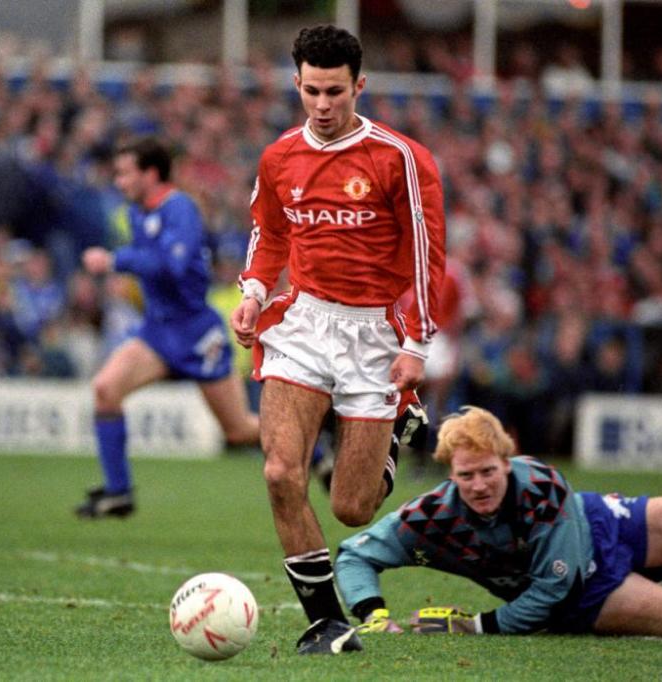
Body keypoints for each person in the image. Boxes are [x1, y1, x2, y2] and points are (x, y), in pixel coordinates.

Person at [230, 25, 445, 654]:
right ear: (296, 83)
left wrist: (417, 345)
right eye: (312, 91)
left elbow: (428, 256)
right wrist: (252, 293)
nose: (322, 105)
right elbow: (269, 235)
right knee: (278, 473)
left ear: (360, 86)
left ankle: (392, 432)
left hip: (376, 333)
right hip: (302, 324)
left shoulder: (400, 158)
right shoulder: (278, 157)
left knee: (352, 507)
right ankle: (325, 623)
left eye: (335, 92)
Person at [334, 407, 662, 639]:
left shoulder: (539, 482)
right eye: (466, 476)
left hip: (602, 522)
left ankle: (650, 589)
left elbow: (553, 581)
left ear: (507, 461)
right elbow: (355, 553)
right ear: (451, 475)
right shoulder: (433, 515)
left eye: (489, 472)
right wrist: (373, 615)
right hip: (585, 593)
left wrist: (477, 625)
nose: (479, 485)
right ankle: (657, 604)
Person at [75, 136, 259, 519]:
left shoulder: (180, 209)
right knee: (106, 390)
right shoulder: (139, 213)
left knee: (239, 431)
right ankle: (118, 492)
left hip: (195, 333)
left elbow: (171, 265)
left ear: (151, 173)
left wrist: (116, 260)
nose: (119, 182)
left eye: (125, 173)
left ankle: (317, 446)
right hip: (158, 333)